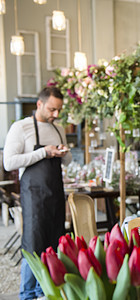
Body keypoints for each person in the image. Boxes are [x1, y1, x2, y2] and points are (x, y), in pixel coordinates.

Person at [3, 87, 72, 300]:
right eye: (52, 109)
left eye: (59, 110)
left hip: (55, 194)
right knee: (34, 245)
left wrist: (63, 152)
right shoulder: (21, 127)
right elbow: (9, 162)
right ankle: (27, 294)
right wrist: (44, 152)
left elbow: (67, 162)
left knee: (54, 243)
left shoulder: (58, 128)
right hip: (33, 195)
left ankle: (47, 293)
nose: (56, 115)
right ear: (39, 104)